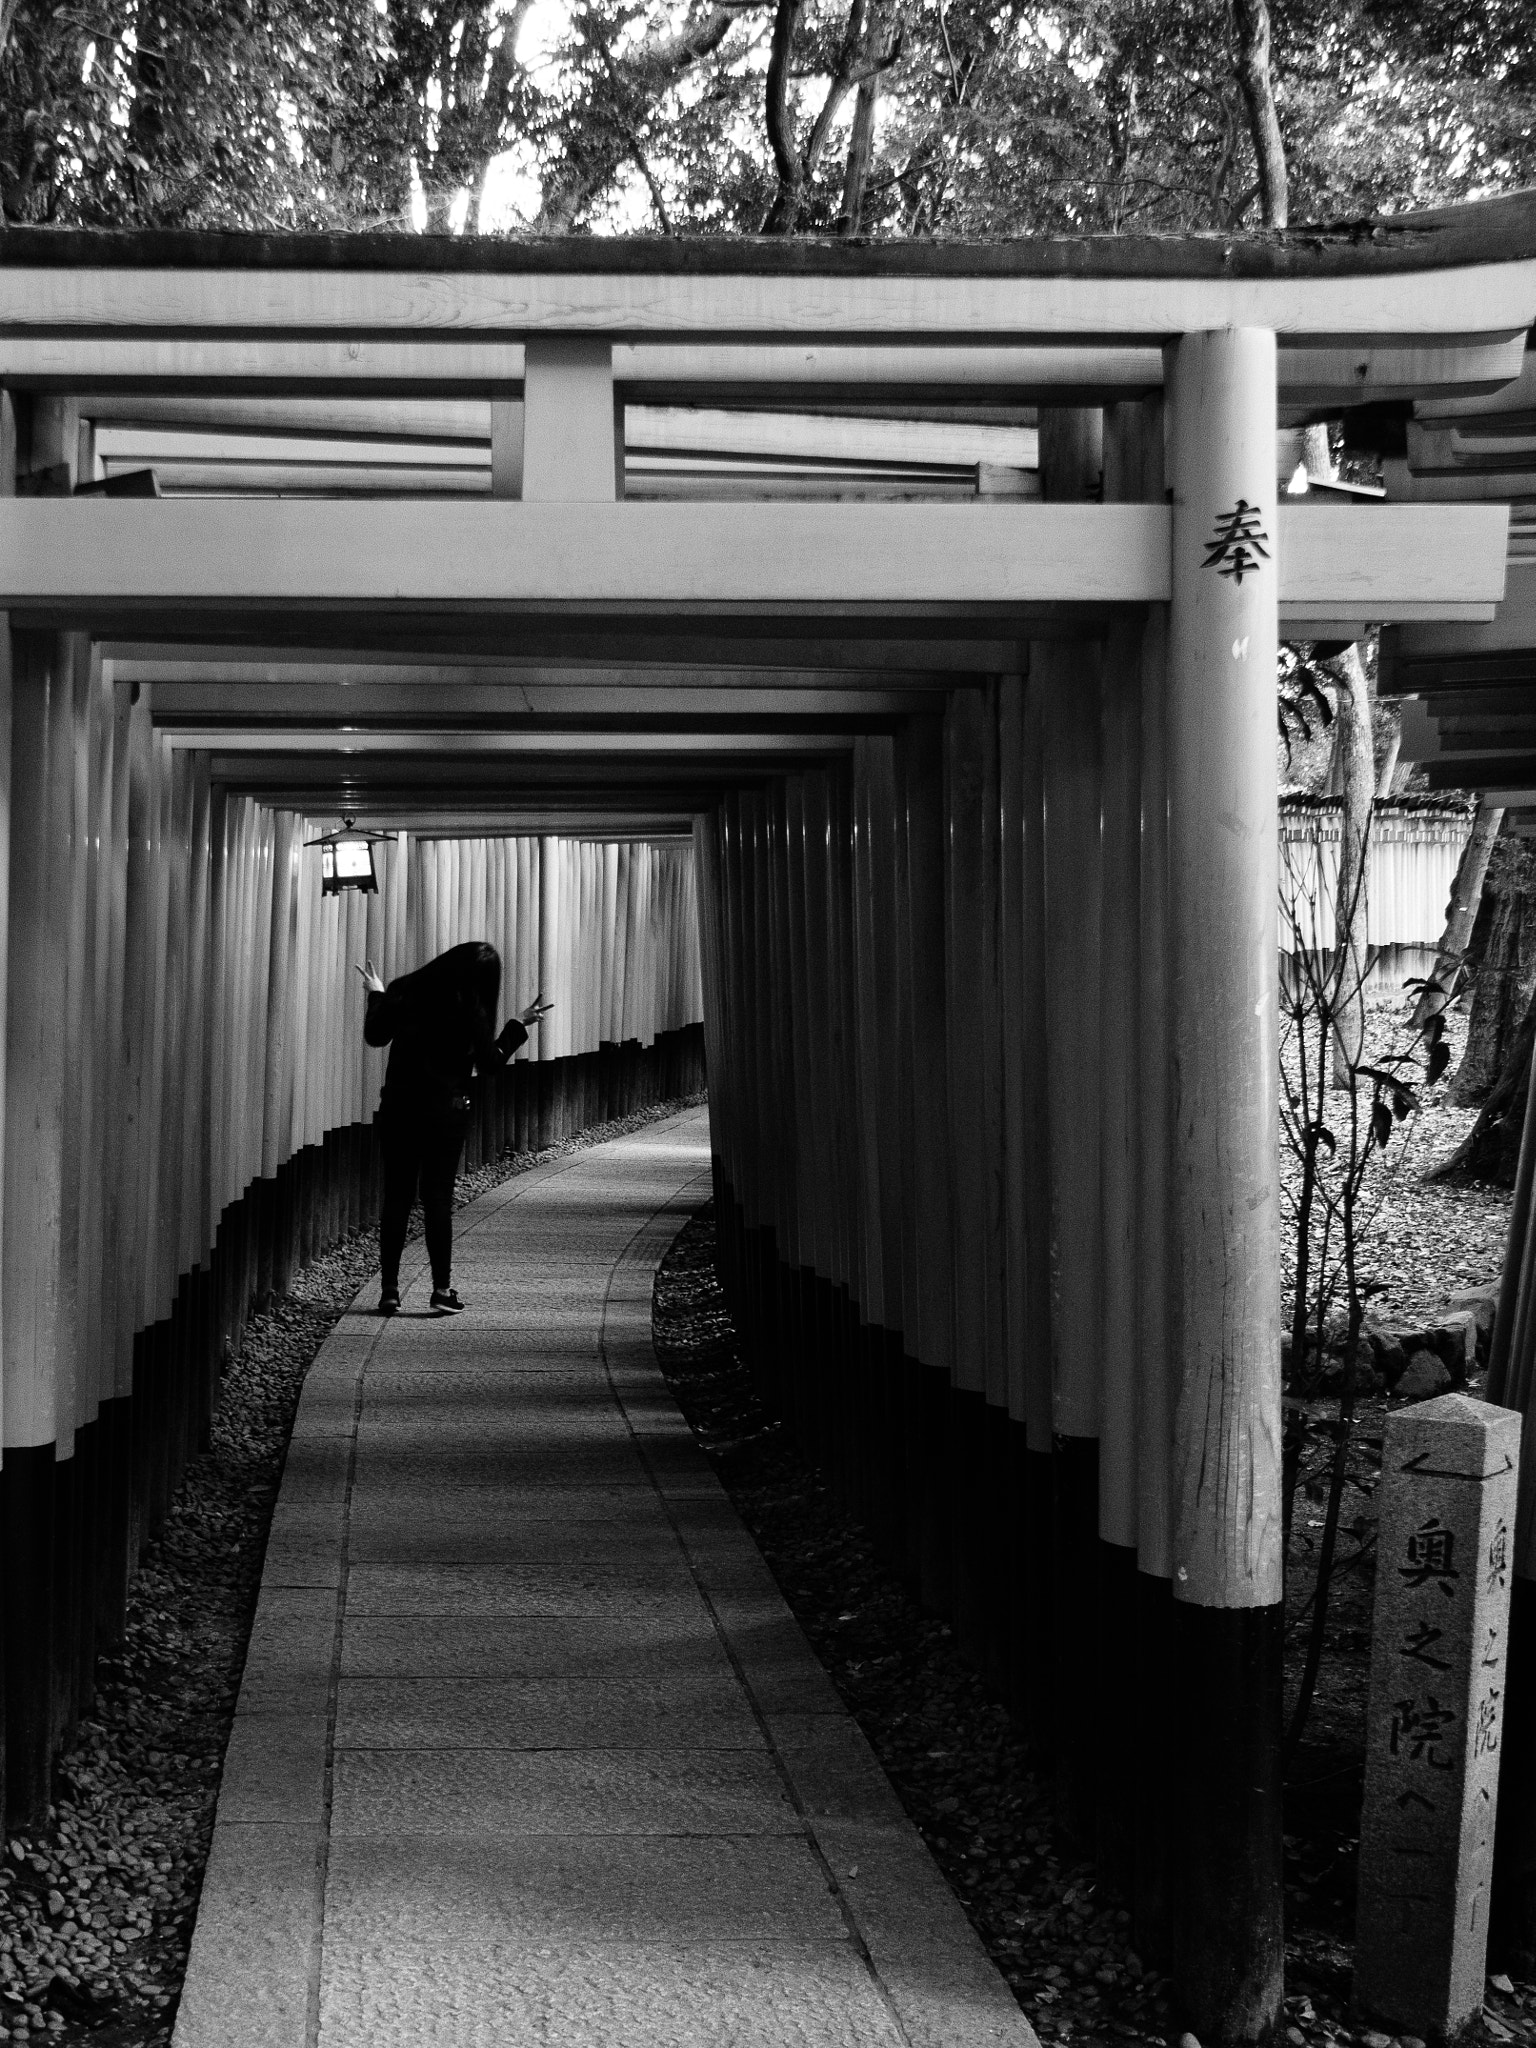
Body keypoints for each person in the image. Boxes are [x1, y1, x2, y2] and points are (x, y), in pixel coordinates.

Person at [358, 942, 552, 1316]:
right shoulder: (471, 1011)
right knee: (437, 1201)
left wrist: (377, 993)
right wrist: (518, 1025)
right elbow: (491, 1064)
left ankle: (389, 1291)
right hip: (445, 1116)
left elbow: (375, 1036)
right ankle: (441, 1290)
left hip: (399, 1111)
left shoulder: (405, 990)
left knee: (397, 1198)